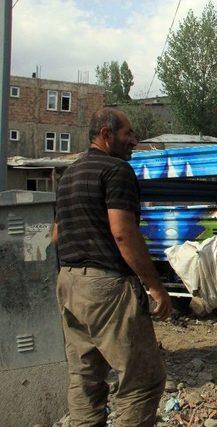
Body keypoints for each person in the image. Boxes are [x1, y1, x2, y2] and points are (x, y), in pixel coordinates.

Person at [52, 108, 171, 426]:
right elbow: (122, 232)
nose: (133, 140)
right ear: (106, 134)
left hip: (69, 282)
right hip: (107, 286)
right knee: (141, 382)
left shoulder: (69, 175)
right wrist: (155, 285)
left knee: (85, 379)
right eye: (127, 134)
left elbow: (56, 234)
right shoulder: (116, 170)